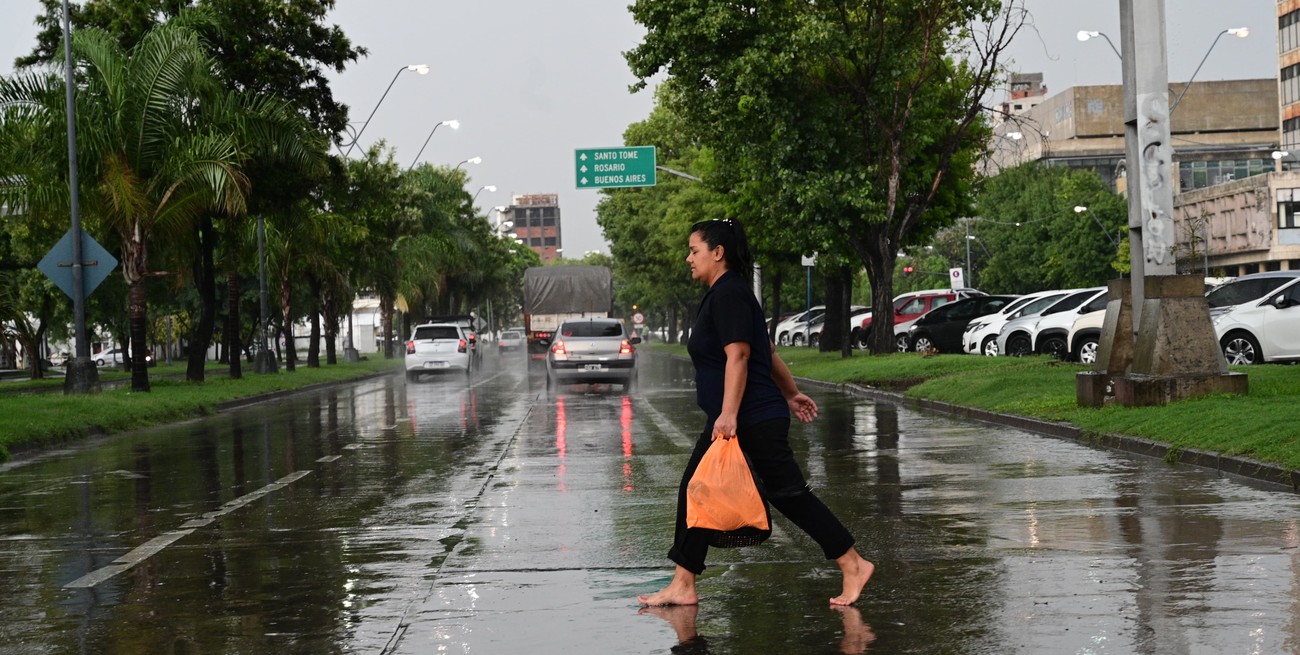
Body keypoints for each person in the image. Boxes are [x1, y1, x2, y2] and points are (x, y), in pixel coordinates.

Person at [637, 218, 874, 608]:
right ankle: (683, 583)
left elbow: (742, 355)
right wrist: (792, 393)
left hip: (749, 418)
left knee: (789, 495)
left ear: (718, 253)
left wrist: (729, 414)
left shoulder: (728, 294)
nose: (688, 258)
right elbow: (768, 349)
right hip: (743, 415)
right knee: (696, 490)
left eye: (694, 250)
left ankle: (853, 563)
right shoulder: (725, 294)